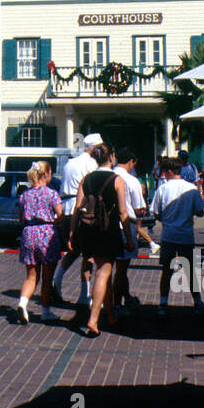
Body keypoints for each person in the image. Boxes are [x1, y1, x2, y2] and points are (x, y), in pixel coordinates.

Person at [72, 143, 129, 337]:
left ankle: (111, 315)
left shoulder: (86, 179)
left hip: (88, 230)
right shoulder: (117, 180)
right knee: (103, 274)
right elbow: (123, 213)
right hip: (108, 230)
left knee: (104, 275)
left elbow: (77, 208)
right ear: (111, 157)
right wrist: (129, 238)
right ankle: (94, 319)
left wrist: (72, 234)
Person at [150, 157, 204, 317]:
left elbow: (156, 212)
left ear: (169, 171)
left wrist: (167, 218)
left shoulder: (162, 189)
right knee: (190, 271)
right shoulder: (190, 188)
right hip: (185, 235)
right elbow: (200, 211)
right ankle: (197, 303)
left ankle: (163, 303)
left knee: (166, 270)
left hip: (168, 235)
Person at [53, 132, 102, 304]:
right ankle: (84, 294)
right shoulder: (93, 164)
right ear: (94, 148)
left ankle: (57, 280)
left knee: (73, 250)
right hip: (81, 208)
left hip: (66, 208)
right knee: (88, 254)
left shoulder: (69, 163)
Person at [16, 160, 62, 324]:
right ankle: (45, 311)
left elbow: (21, 217)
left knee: (31, 276)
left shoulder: (25, 194)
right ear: (46, 174)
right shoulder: (51, 194)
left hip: (28, 233)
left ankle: (22, 303)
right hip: (46, 233)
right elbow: (60, 214)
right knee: (47, 276)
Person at [112, 147, 148, 309]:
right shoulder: (131, 180)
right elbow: (139, 207)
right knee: (121, 269)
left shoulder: (107, 175)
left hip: (106, 225)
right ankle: (117, 302)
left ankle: (124, 296)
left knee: (107, 268)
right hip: (125, 224)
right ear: (131, 162)